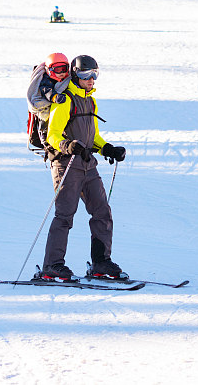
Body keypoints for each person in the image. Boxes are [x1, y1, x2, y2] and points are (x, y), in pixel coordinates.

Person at [40, 54, 127, 281]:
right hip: (66, 164)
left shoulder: (90, 100)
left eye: (94, 75)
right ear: (75, 75)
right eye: (86, 75)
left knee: (102, 212)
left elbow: (93, 136)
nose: (91, 80)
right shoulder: (65, 99)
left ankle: (101, 262)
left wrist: (108, 149)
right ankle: (52, 265)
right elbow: (53, 135)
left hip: (88, 164)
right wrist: (67, 145)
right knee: (65, 215)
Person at [28, 52, 71, 148]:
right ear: (49, 70)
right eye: (57, 70)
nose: (61, 73)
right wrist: (54, 97)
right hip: (45, 106)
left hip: (59, 107)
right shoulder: (45, 80)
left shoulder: (66, 79)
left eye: (64, 69)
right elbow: (46, 90)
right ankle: (45, 139)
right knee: (45, 119)